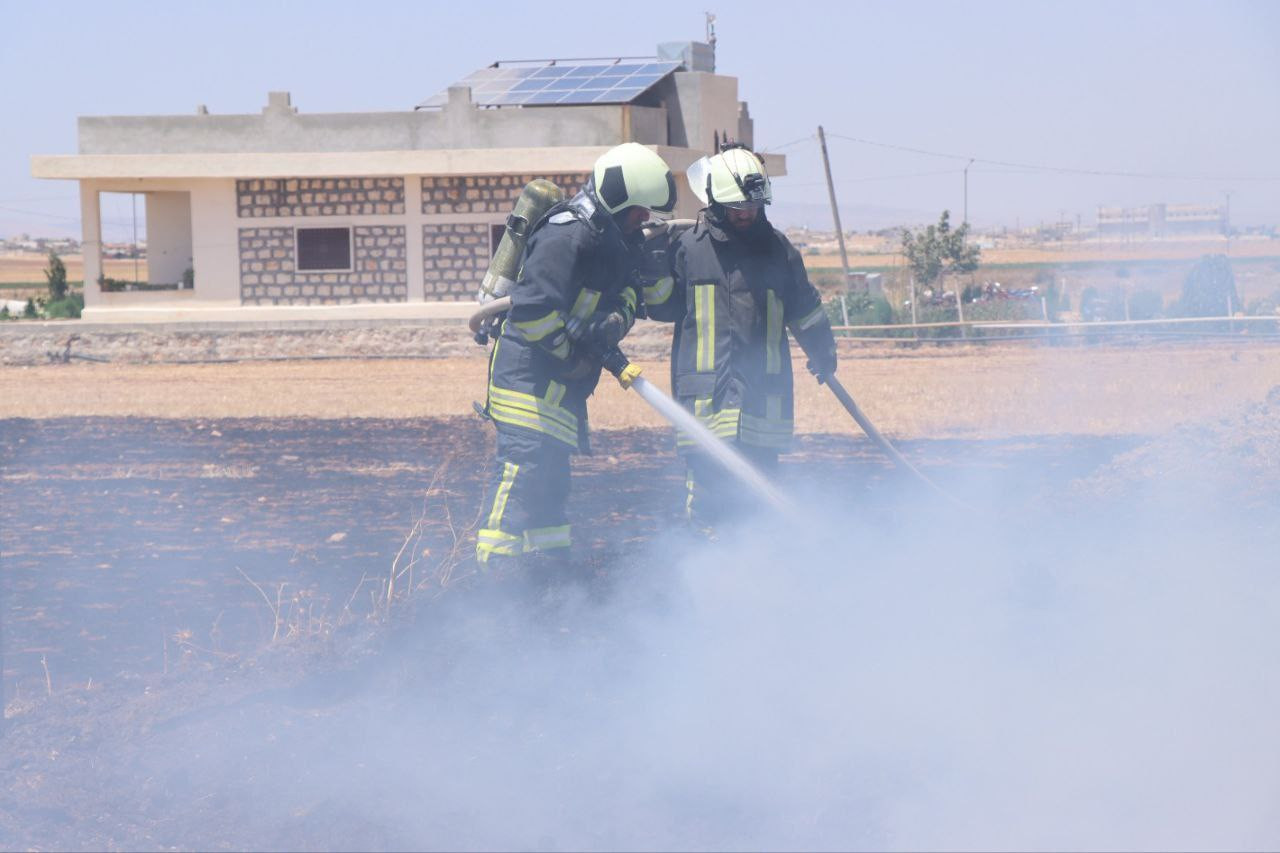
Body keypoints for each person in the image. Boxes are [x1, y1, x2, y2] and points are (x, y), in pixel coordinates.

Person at [475, 142, 676, 576]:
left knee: (551, 487)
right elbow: (532, 314)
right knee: (521, 477)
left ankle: (551, 576)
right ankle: (495, 579)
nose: (644, 219)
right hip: (527, 386)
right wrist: (571, 356)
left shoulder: (616, 243)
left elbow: (631, 296)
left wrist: (612, 322)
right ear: (618, 198)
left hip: (562, 392)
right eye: (639, 210)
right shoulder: (565, 237)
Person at [643, 144, 837, 527]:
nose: (746, 213)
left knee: (761, 504)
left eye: (752, 205)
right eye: (736, 206)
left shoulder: (780, 251)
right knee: (706, 501)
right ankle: (705, 558)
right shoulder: (688, 249)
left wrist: (823, 350)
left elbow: (805, 308)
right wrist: (652, 265)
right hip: (705, 400)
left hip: (763, 400)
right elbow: (662, 309)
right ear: (715, 200)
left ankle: (761, 562)